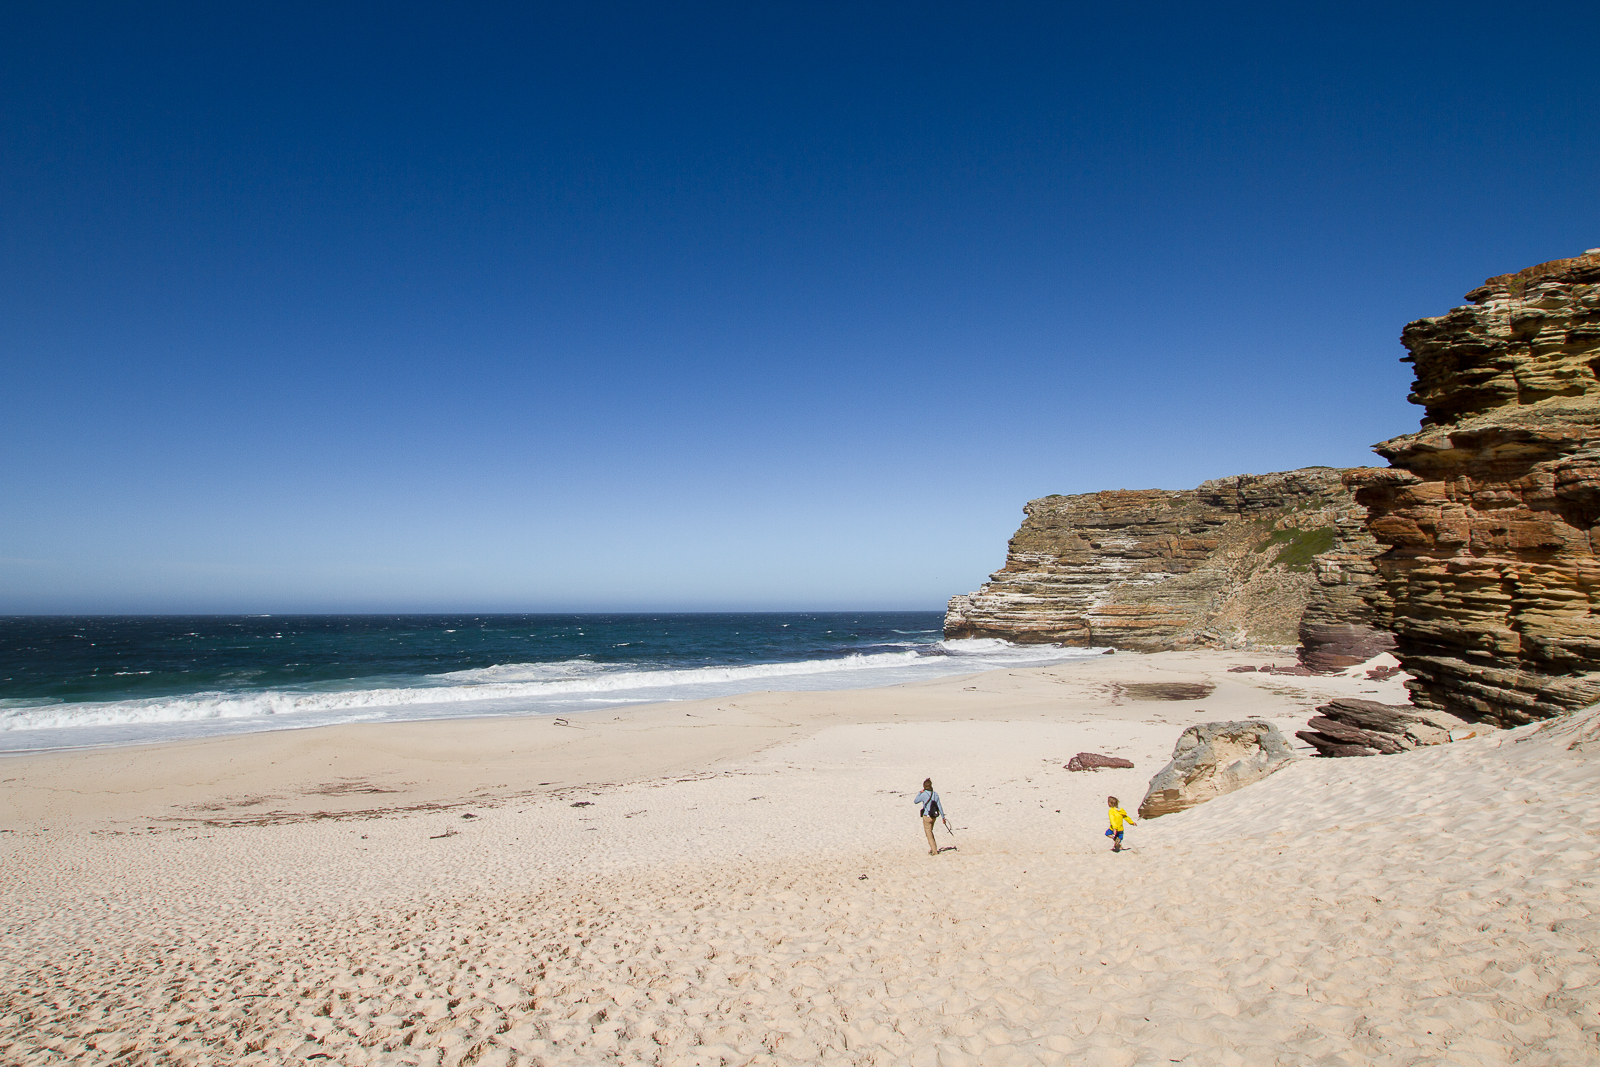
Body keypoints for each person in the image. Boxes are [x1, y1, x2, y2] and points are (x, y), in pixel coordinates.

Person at [913, 778, 946, 856]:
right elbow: (939, 806)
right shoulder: (935, 794)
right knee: (930, 832)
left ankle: (934, 851)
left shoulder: (924, 794)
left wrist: (919, 793)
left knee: (929, 834)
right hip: (934, 816)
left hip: (927, 816)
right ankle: (933, 848)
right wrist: (943, 817)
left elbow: (915, 801)